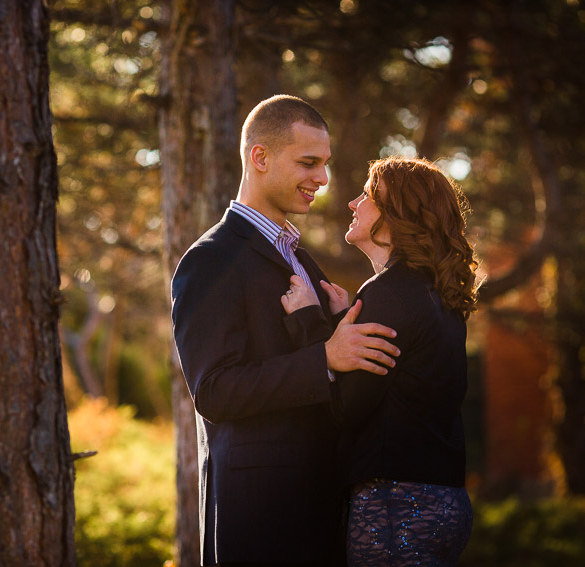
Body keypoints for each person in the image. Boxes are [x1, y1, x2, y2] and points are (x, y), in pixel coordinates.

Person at [171, 95, 401, 567]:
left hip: (322, 510)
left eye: (325, 164)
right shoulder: (209, 260)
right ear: (260, 157)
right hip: (260, 523)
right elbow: (214, 391)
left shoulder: (302, 258)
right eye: (308, 162)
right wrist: (326, 359)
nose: (322, 178)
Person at [281, 156, 478, 566]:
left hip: (395, 506)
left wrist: (306, 323)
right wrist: (342, 319)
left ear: (396, 214)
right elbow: (396, 385)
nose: (353, 203)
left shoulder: (387, 292)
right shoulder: (440, 295)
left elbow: (347, 405)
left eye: (368, 195)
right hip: (446, 502)